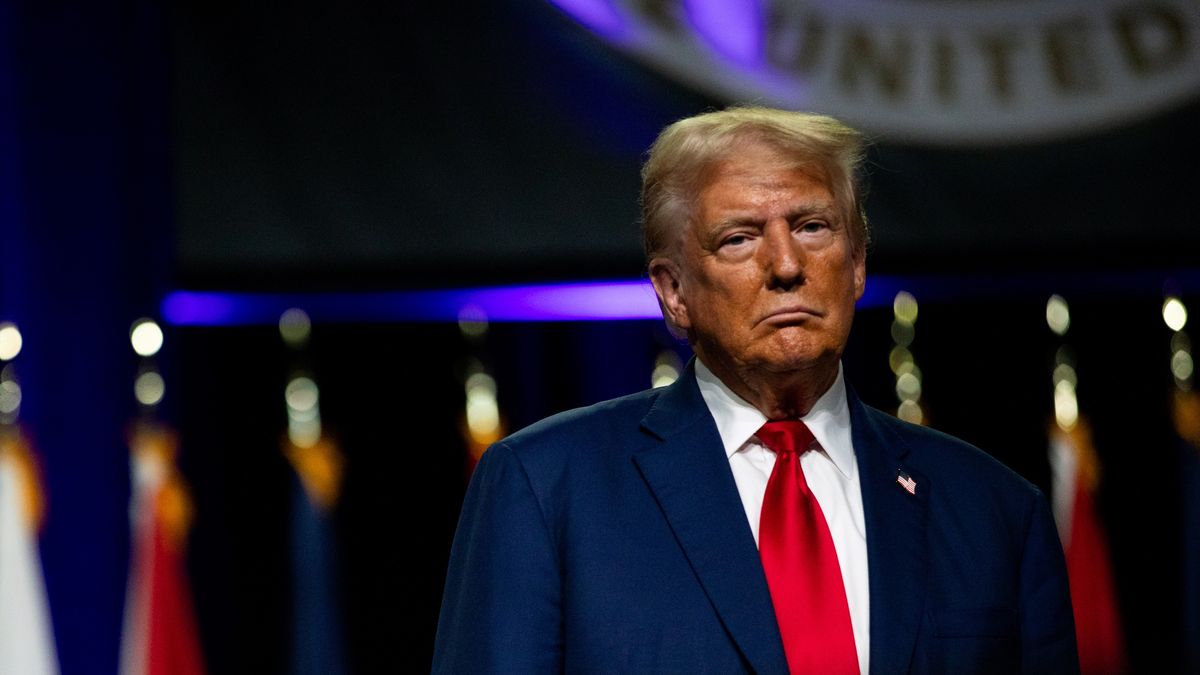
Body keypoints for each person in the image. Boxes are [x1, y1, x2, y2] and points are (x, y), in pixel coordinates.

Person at [432, 107, 1078, 674]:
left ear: (856, 264)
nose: (787, 265)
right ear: (674, 291)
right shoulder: (546, 488)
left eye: (812, 227)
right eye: (739, 237)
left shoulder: (994, 510)